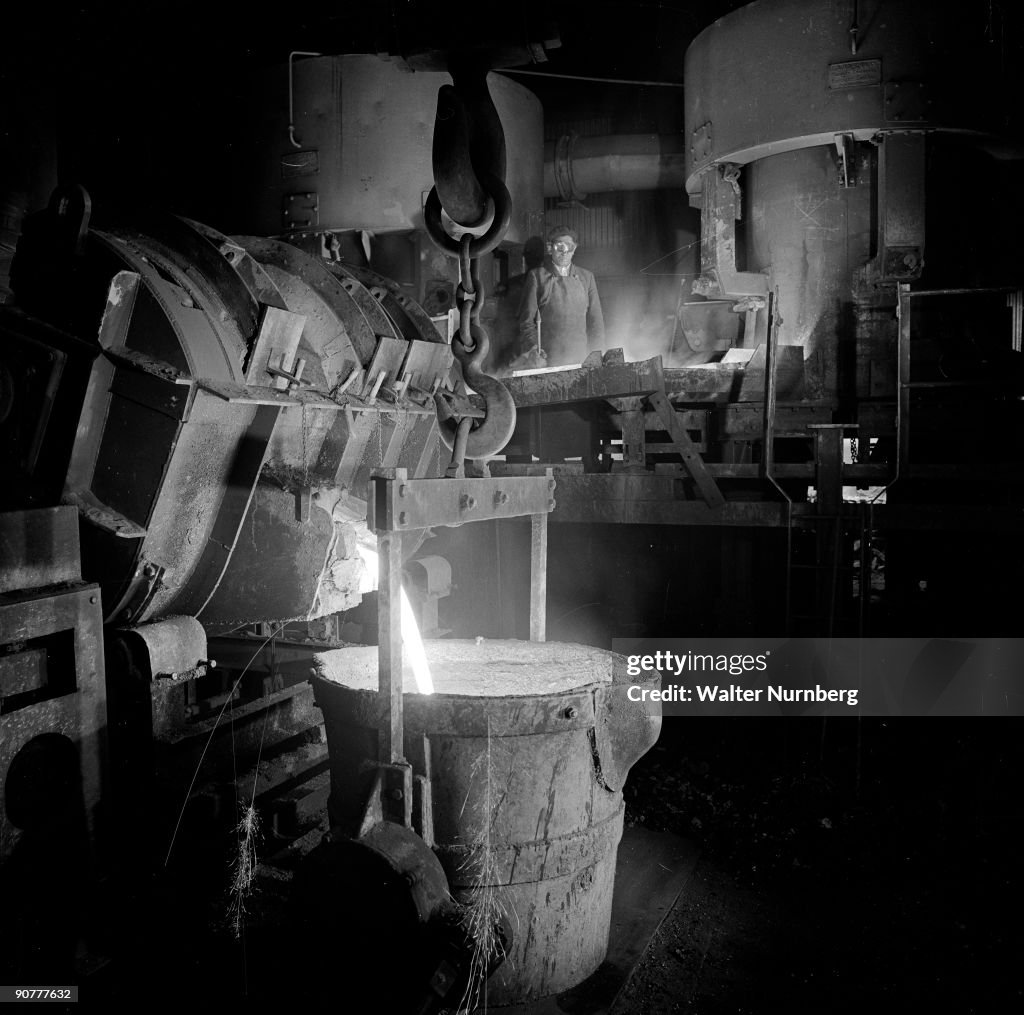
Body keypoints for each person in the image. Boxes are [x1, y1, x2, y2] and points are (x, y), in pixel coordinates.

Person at [516, 226, 605, 368]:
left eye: (569, 247)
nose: (564, 252)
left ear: (574, 249)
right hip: (548, 360)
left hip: (582, 360)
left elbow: (596, 323)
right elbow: (526, 322)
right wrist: (534, 350)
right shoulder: (537, 276)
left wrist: (597, 354)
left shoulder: (586, 278)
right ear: (550, 248)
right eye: (559, 246)